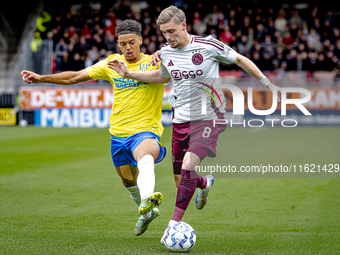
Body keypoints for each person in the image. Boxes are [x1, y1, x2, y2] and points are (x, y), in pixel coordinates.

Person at [107, 6, 281, 244]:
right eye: (163, 33)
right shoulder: (166, 53)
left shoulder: (209, 46)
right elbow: (162, 77)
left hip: (209, 117)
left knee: (188, 165)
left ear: (183, 26)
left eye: (171, 31)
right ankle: (205, 182)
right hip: (180, 120)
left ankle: (174, 224)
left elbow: (240, 59)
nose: (167, 37)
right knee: (181, 180)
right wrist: (129, 74)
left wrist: (267, 84)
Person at [21, 20, 167, 236]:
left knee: (145, 156)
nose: (128, 48)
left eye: (132, 43)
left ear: (141, 41)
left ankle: (148, 199)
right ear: (118, 43)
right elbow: (75, 76)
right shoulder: (111, 64)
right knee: (127, 180)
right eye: (123, 43)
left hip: (145, 130)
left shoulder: (153, 62)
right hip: (117, 134)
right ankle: (145, 212)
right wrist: (42, 78)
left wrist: (165, 53)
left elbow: (175, 61)